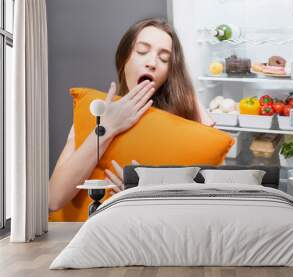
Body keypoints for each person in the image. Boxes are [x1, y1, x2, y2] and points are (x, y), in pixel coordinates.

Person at [49, 18, 214, 212]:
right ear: (124, 58)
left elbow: (206, 201)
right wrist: (108, 128)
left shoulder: (185, 121)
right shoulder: (95, 113)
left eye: (164, 59)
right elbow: (53, 199)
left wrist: (145, 195)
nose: (152, 63)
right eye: (142, 51)